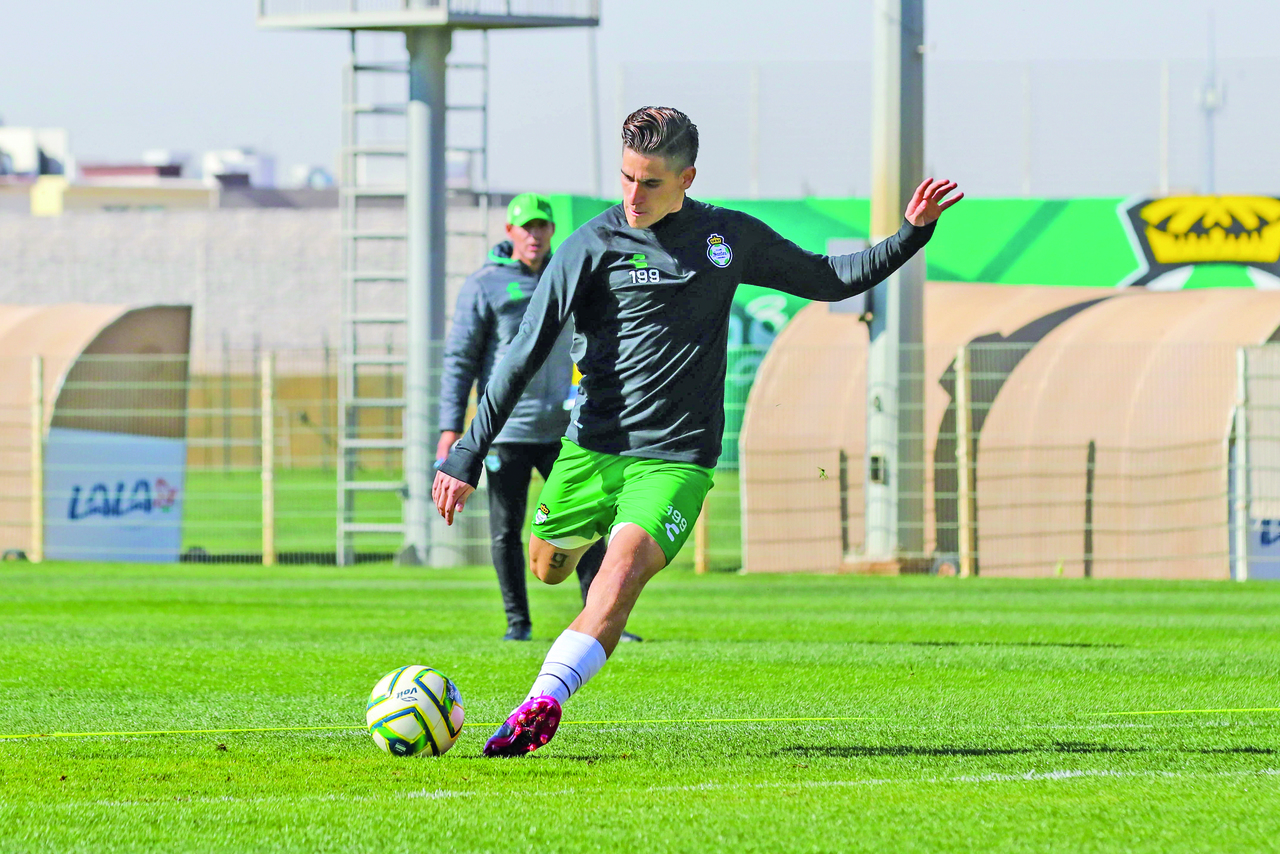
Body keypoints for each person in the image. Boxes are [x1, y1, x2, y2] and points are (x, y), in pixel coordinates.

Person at [433, 106, 962, 756]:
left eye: (651, 182)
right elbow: (521, 353)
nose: (634, 195)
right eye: (626, 178)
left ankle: (543, 702)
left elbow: (828, 280)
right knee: (545, 566)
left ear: (687, 178)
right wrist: (467, 452)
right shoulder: (590, 246)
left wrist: (911, 234)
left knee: (619, 576)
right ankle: (587, 543)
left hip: (677, 459)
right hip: (590, 450)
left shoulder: (726, 238)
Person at [439, 192, 639, 642]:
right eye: (526, 227)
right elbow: (460, 361)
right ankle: (518, 624)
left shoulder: (567, 273)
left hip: (564, 429)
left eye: (541, 226)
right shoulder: (484, 285)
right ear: (510, 232)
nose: (534, 235)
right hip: (506, 431)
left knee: (585, 525)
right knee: (506, 532)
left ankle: (600, 618)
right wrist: (450, 429)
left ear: (551, 231)